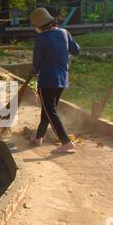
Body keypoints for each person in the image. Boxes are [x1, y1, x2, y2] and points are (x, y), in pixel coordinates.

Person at [29, 8, 81, 153]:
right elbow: (77, 51)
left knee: (50, 110)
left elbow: (37, 61)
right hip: (62, 80)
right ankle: (39, 137)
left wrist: (34, 70)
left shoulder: (41, 38)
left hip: (47, 80)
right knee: (48, 110)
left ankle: (66, 142)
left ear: (39, 25)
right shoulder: (65, 33)